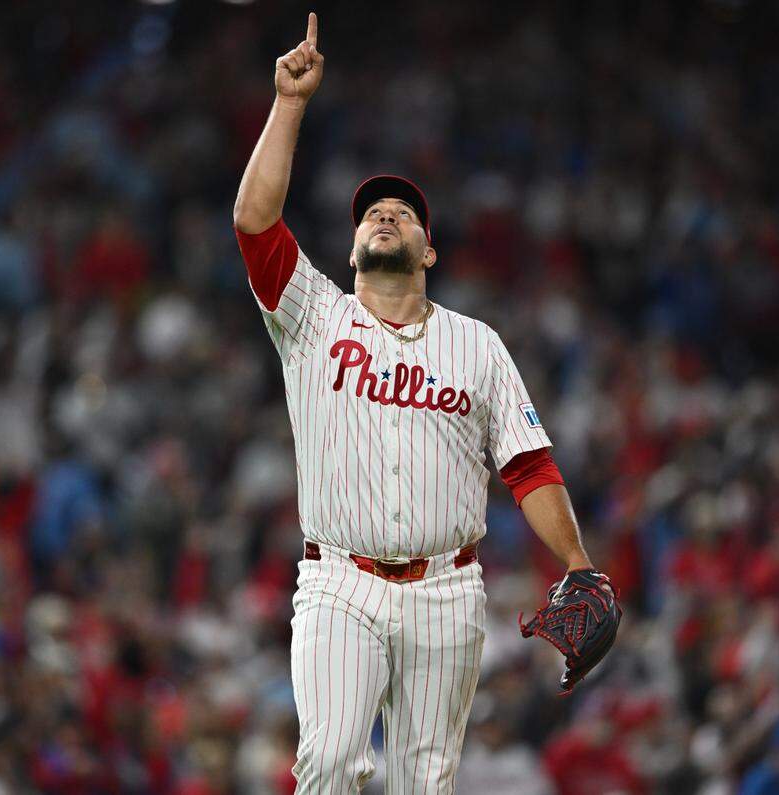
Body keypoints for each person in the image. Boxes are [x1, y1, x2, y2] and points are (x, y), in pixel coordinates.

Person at [232, 12, 616, 791]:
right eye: (372, 212)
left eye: (402, 213)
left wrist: (577, 561)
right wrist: (289, 103)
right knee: (331, 760)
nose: (384, 215)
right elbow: (253, 220)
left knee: (425, 781)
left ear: (429, 249)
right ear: (349, 251)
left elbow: (531, 467)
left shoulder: (478, 345)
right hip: (340, 580)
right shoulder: (313, 314)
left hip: (447, 586)